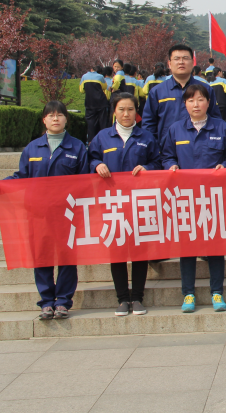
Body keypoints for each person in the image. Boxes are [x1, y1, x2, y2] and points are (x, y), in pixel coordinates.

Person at [0, 101, 89, 320]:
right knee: (42, 257)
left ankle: (63, 301)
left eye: (60, 115)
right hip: (39, 213)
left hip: (67, 214)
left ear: (66, 119)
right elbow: (22, 176)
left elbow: (85, 181)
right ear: (44, 120)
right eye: (51, 115)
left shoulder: (78, 147)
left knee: (67, 259)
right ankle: (46, 302)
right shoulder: (32, 148)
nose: (55, 119)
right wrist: (2, 184)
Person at [161, 84, 226, 313]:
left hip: (213, 198)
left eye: (200, 100)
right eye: (191, 100)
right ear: (184, 104)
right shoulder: (175, 129)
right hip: (185, 199)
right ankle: (188, 293)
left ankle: (217, 292)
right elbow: (166, 156)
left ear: (209, 102)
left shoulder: (221, 127)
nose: (196, 104)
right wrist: (171, 165)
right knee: (187, 248)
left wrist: (225, 165)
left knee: (215, 246)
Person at [88, 92, 161, 316]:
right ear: (114, 111)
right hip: (112, 203)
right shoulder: (102, 137)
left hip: (140, 203)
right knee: (117, 251)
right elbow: (90, 158)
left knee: (139, 251)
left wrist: (148, 168)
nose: (126, 114)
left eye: (130, 109)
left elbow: (158, 161)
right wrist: (97, 164)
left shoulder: (147, 137)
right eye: (121, 109)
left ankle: (137, 297)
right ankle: (122, 298)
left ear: (136, 112)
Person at [142, 44, 222, 147]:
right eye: (177, 59)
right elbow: (148, 124)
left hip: (201, 148)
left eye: (185, 58)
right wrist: (154, 149)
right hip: (167, 150)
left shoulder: (206, 90)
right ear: (169, 64)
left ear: (192, 63)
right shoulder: (157, 92)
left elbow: (215, 120)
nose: (181, 62)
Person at [79, 66, 111, 143]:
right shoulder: (100, 77)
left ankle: (90, 142)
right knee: (103, 123)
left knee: (90, 123)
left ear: (91, 69)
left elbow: (81, 90)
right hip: (101, 102)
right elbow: (104, 87)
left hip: (90, 102)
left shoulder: (84, 76)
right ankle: (104, 141)